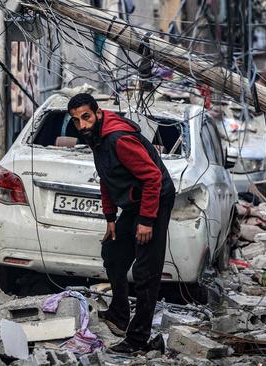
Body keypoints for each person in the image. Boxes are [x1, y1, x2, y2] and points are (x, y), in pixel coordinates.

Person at [67, 93, 175, 355]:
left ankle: (138, 339)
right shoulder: (97, 139)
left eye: (86, 117)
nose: (82, 125)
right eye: (76, 121)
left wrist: (147, 221)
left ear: (98, 113)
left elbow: (152, 178)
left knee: (145, 271)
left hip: (155, 199)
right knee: (113, 253)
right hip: (133, 202)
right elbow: (107, 177)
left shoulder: (118, 138)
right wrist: (110, 218)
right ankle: (119, 314)